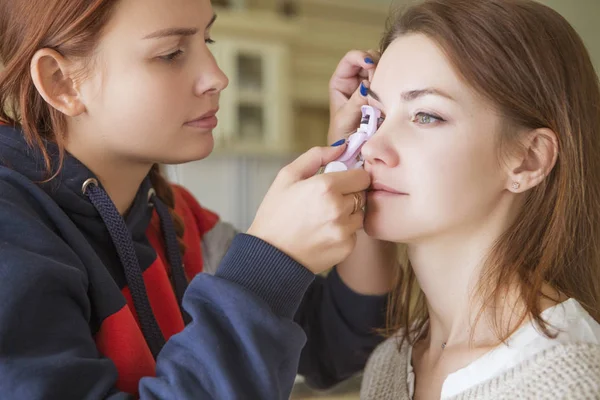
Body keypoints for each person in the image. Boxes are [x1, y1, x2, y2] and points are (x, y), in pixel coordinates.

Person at [0, 0, 395, 398]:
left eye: (207, 38)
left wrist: (354, 158)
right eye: (171, 54)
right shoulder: (10, 231)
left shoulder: (181, 219)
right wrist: (268, 266)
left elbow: (336, 346)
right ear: (61, 83)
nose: (217, 77)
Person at [345, 0, 600, 398]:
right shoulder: (390, 365)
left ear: (527, 159)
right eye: (373, 116)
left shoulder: (569, 384)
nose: (372, 146)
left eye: (426, 115)